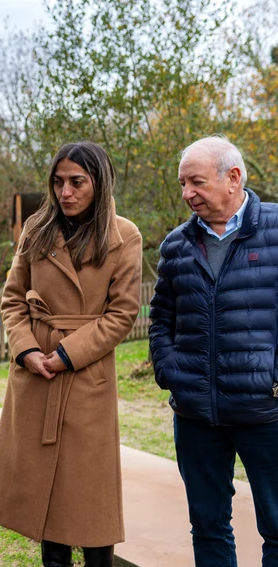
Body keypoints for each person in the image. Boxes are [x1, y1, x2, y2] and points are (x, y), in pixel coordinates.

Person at [0, 142, 141, 566]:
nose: (65, 192)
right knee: (45, 504)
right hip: (37, 377)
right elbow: (12, 300)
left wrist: (67, 354)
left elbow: (122, 313)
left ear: (99, 183)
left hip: (86, 379)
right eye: (58, 182)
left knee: (90, 503)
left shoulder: (123, 236)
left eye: (77, 182)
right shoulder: (37, 229)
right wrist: (27, 350)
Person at [149, 136, 278, 567]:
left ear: (233, 178)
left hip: (267, 413)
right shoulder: (176, 245)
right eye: (183, 183)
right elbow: (161, 319)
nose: (187, 193)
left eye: (196, 182)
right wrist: (171, 372)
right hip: (196, 417)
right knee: (207, 526)